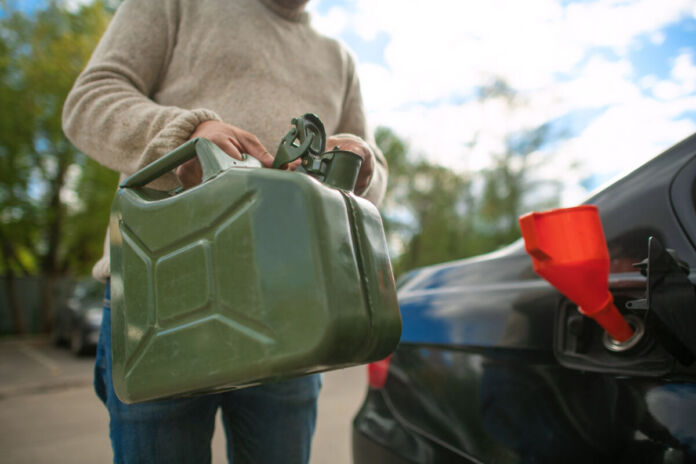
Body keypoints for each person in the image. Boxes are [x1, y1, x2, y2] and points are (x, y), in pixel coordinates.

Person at [61, 0, 387, 462]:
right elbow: (88, 101)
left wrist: (362, 161)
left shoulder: (340, 59)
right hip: (164, 291)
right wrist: (183, 132)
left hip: (293, 302)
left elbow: (370, 177)